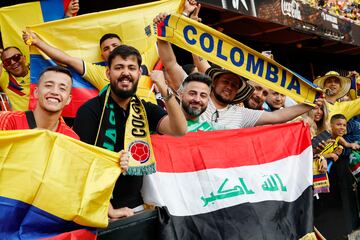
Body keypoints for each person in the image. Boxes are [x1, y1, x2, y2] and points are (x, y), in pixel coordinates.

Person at [73, 45, 187, 219]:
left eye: (131, 68)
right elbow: (80, 165)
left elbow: (179, 129)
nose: (125, 73)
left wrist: (165, 90)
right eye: (119, 67)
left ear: (139, 75)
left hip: (138, 206)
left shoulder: (145, 109)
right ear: (108, 73)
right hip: (98, 209)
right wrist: (108, 209)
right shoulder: (89, 111)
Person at [154, 13, 324, 130]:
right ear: (214, 83)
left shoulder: (241, 115)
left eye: (235, 85)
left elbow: (278, 117)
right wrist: (161, 31)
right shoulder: (197, 95)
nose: (229, 86)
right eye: (226, 81)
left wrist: (309, 103)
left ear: (238, 92)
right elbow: (170, 64)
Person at [22, 31, 122, 91]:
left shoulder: (138, 67)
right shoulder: (100, 72)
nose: (111, 50)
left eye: (115, 46)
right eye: (106, 49)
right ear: (102, 56)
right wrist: (37, 42)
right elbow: (66, 59)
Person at [0, 66, 76, 138]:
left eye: (62, 88)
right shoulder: (9, 120)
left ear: (69, 99)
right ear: (36, 92)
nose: (55, 92)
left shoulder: (71, 138)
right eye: (48, 85)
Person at [0, 46, 30, 111]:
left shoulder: (37, 71)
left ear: (24, 58)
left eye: (16, 57)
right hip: (21, 119)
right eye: (7, 62)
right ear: (4, 67)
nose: (13, 62)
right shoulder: (5, 79)